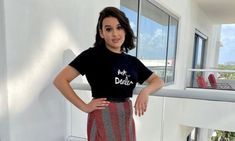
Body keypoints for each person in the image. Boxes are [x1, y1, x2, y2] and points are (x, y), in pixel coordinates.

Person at [53, 6, 164, 141]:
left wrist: (145, 91)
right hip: (102, 116)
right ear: (101, 33)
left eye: (119, 27)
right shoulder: (91, 55)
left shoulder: (132, 62)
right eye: (108, 29)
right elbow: (60, 80)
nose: (115, 34)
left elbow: (158, 80)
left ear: (125, 29)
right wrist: (85, 106)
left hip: (126, 117)